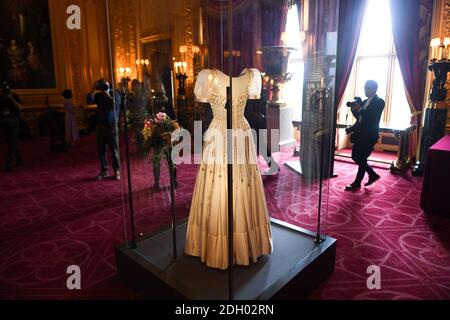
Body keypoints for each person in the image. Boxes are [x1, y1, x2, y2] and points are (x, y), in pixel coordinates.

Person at [185, 68, 273, 270]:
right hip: (235, 130)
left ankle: (230, 244)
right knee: (228, 180)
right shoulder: (221, 77)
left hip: (227, 131)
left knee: (231, 180)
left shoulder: (250, 76)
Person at [345, 80, 385, 191]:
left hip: (370, 135)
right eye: (365, 87)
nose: (366, 90)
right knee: (356, 157)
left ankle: (358, 183)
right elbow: (360, 119)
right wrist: (354, 112)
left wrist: (360, 109)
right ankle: (372, 175)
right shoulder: (365, 101)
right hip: (360, 135)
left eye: (369, 88)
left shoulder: (380, 102)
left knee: (360, 158)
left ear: (375, 89)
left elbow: (371, 118)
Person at [87, 79, 121, 180]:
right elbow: (89, 101)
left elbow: (117, 106)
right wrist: (93, 88)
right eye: (101, 86)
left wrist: (108, 96)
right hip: (100, 126)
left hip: (112, 126)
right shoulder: (98, 95)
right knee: (101, 150)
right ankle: (104, 171)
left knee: (114, 150)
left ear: (109, 85)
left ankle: (117, 171)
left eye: (105, 85)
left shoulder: (115, 94)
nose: (104, 88)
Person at [0, 81, 24, 171]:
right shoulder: (0, 98)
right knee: (11, 141)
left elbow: (20, 107)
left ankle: (8, 163)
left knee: (12, 142)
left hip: (13, 121)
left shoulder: (14, 96)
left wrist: (10, 98)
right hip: (3, 121)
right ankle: (19, 159)